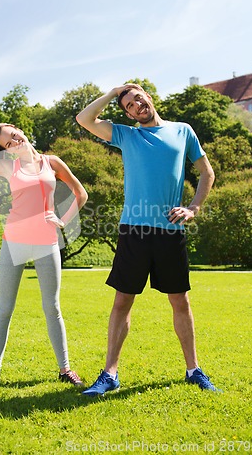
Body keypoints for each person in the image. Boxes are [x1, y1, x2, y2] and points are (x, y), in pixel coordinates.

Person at [76, 83, 219, 395]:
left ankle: (193, 370)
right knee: (122, 301)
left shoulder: (183, 131)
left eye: (138, 98)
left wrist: (193, 208)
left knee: (180, 300)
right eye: (128, 105)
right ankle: (110, 374)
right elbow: (84, 119)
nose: (136, 105)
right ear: (127, 113)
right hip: (135, 230)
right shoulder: (128, 135)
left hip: (171, 231)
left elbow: (206, 173)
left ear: (149, 97)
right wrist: (114, 92)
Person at [0, 123, 88, 390]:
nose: (14, 141)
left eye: (14, 134)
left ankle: (65, 369)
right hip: (14, 242)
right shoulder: (9, 167)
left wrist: (63, 220)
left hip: (47, 242)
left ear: (22, 131)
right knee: (4, 309)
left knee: (52, 308)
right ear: (6, 151)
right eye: (8, 143)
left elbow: (80, 194)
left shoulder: (51, 162)